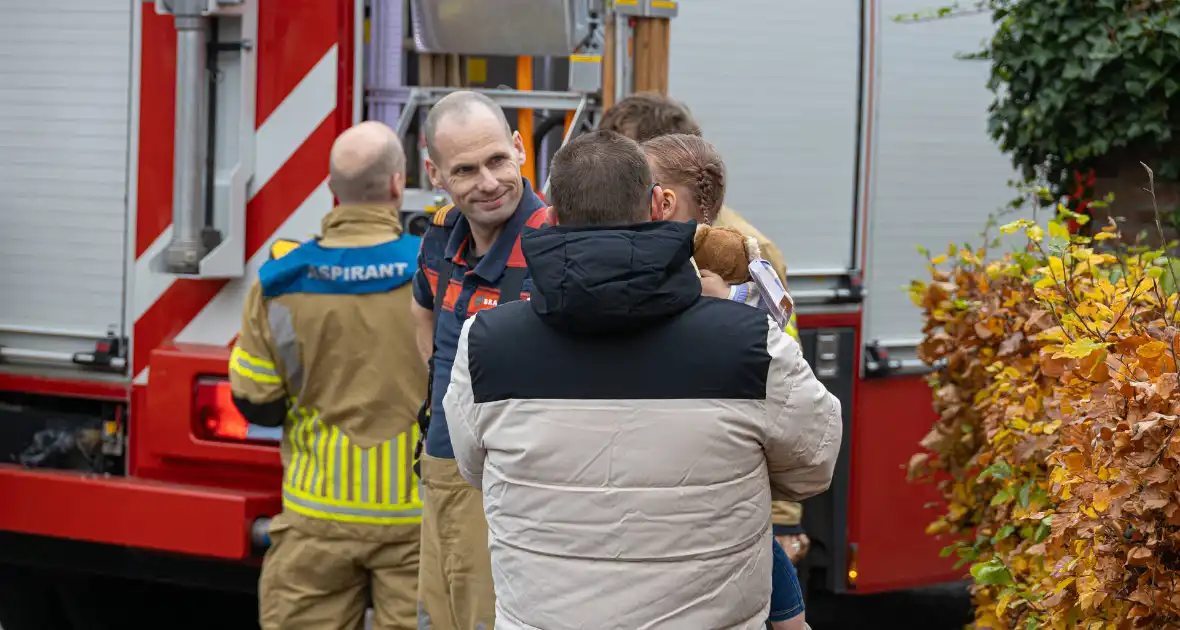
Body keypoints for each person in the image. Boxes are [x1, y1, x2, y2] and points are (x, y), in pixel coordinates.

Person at [442, 130, 842, 630]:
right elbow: (812, 466)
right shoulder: (750, 345)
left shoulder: (485, 344)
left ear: (553, 216)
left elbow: (474, 467)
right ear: (656, 204)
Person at [229, 121, 425, 630]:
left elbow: (256, 398)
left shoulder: (281, 280)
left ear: (332, 191)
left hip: (317, 517)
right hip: (415, 521)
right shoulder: (434, 272)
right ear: (398, 184)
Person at [601, 92, 811, 563]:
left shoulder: (744, 252)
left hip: (718, 501)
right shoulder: (614, 236)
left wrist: (780, 520)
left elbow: (780, 385)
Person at [641, 132, 807, 630]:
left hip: (714, 476)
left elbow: (783, 371)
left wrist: (721, 311)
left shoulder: (738, 272)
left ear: (662, 200)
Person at [409, 90, 549, 630]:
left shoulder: (555, 242)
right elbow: (421, 309)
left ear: (519, 148)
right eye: (465, 170)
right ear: (435, 173)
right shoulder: (439, 235)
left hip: (514, 483)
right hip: (443, 468)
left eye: (497, 160)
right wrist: (449, 396)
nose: (488, 183)